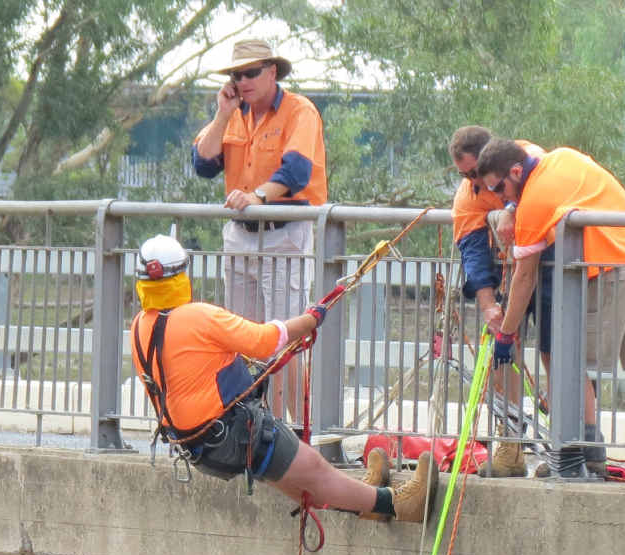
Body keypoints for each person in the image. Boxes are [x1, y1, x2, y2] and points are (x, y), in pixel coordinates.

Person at [129, 234, 438, 522]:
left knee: (301, 479)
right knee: (315, 470)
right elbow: (266, 341)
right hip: (236, 435)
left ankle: (365, 500)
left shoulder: (141, 326)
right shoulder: (198, 317)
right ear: (182, 275)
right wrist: (309, 320)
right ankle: (395, 505)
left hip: (198, 447)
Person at [476, 139, 625, 482]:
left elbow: (525, 278)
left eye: (501, 189)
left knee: (573, 362)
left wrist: (506, 333)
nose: (503, 198)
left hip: (613, 268)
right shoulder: (561, 156)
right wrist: (508, 208)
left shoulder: (533, 201)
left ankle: (584, 452)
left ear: (516, 172)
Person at [193, 39, 326, 422]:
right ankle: (251, 423)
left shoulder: (300, 111)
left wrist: (257, 197)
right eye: (237, 74)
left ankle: (294, 430)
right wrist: (222, 114)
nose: (244, 80)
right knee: (240, 334)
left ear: (272, 72)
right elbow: (202, 165)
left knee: (283, 333)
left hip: (285, 231)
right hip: (240, 234)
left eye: (252, 72)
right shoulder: (233, 113)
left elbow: (296, 172)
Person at [448, 126, 546, 478]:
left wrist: (510, 207)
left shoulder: (529, 155)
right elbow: (472, 252)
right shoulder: (467, 196)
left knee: (554, 350)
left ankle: (570, 445)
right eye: (464, 175)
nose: (473, 183)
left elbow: (542, 192)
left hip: (549, 268)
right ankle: (510, 446)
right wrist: (489, 307)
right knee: (505, 352)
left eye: (475, 174)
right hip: (513, 271)